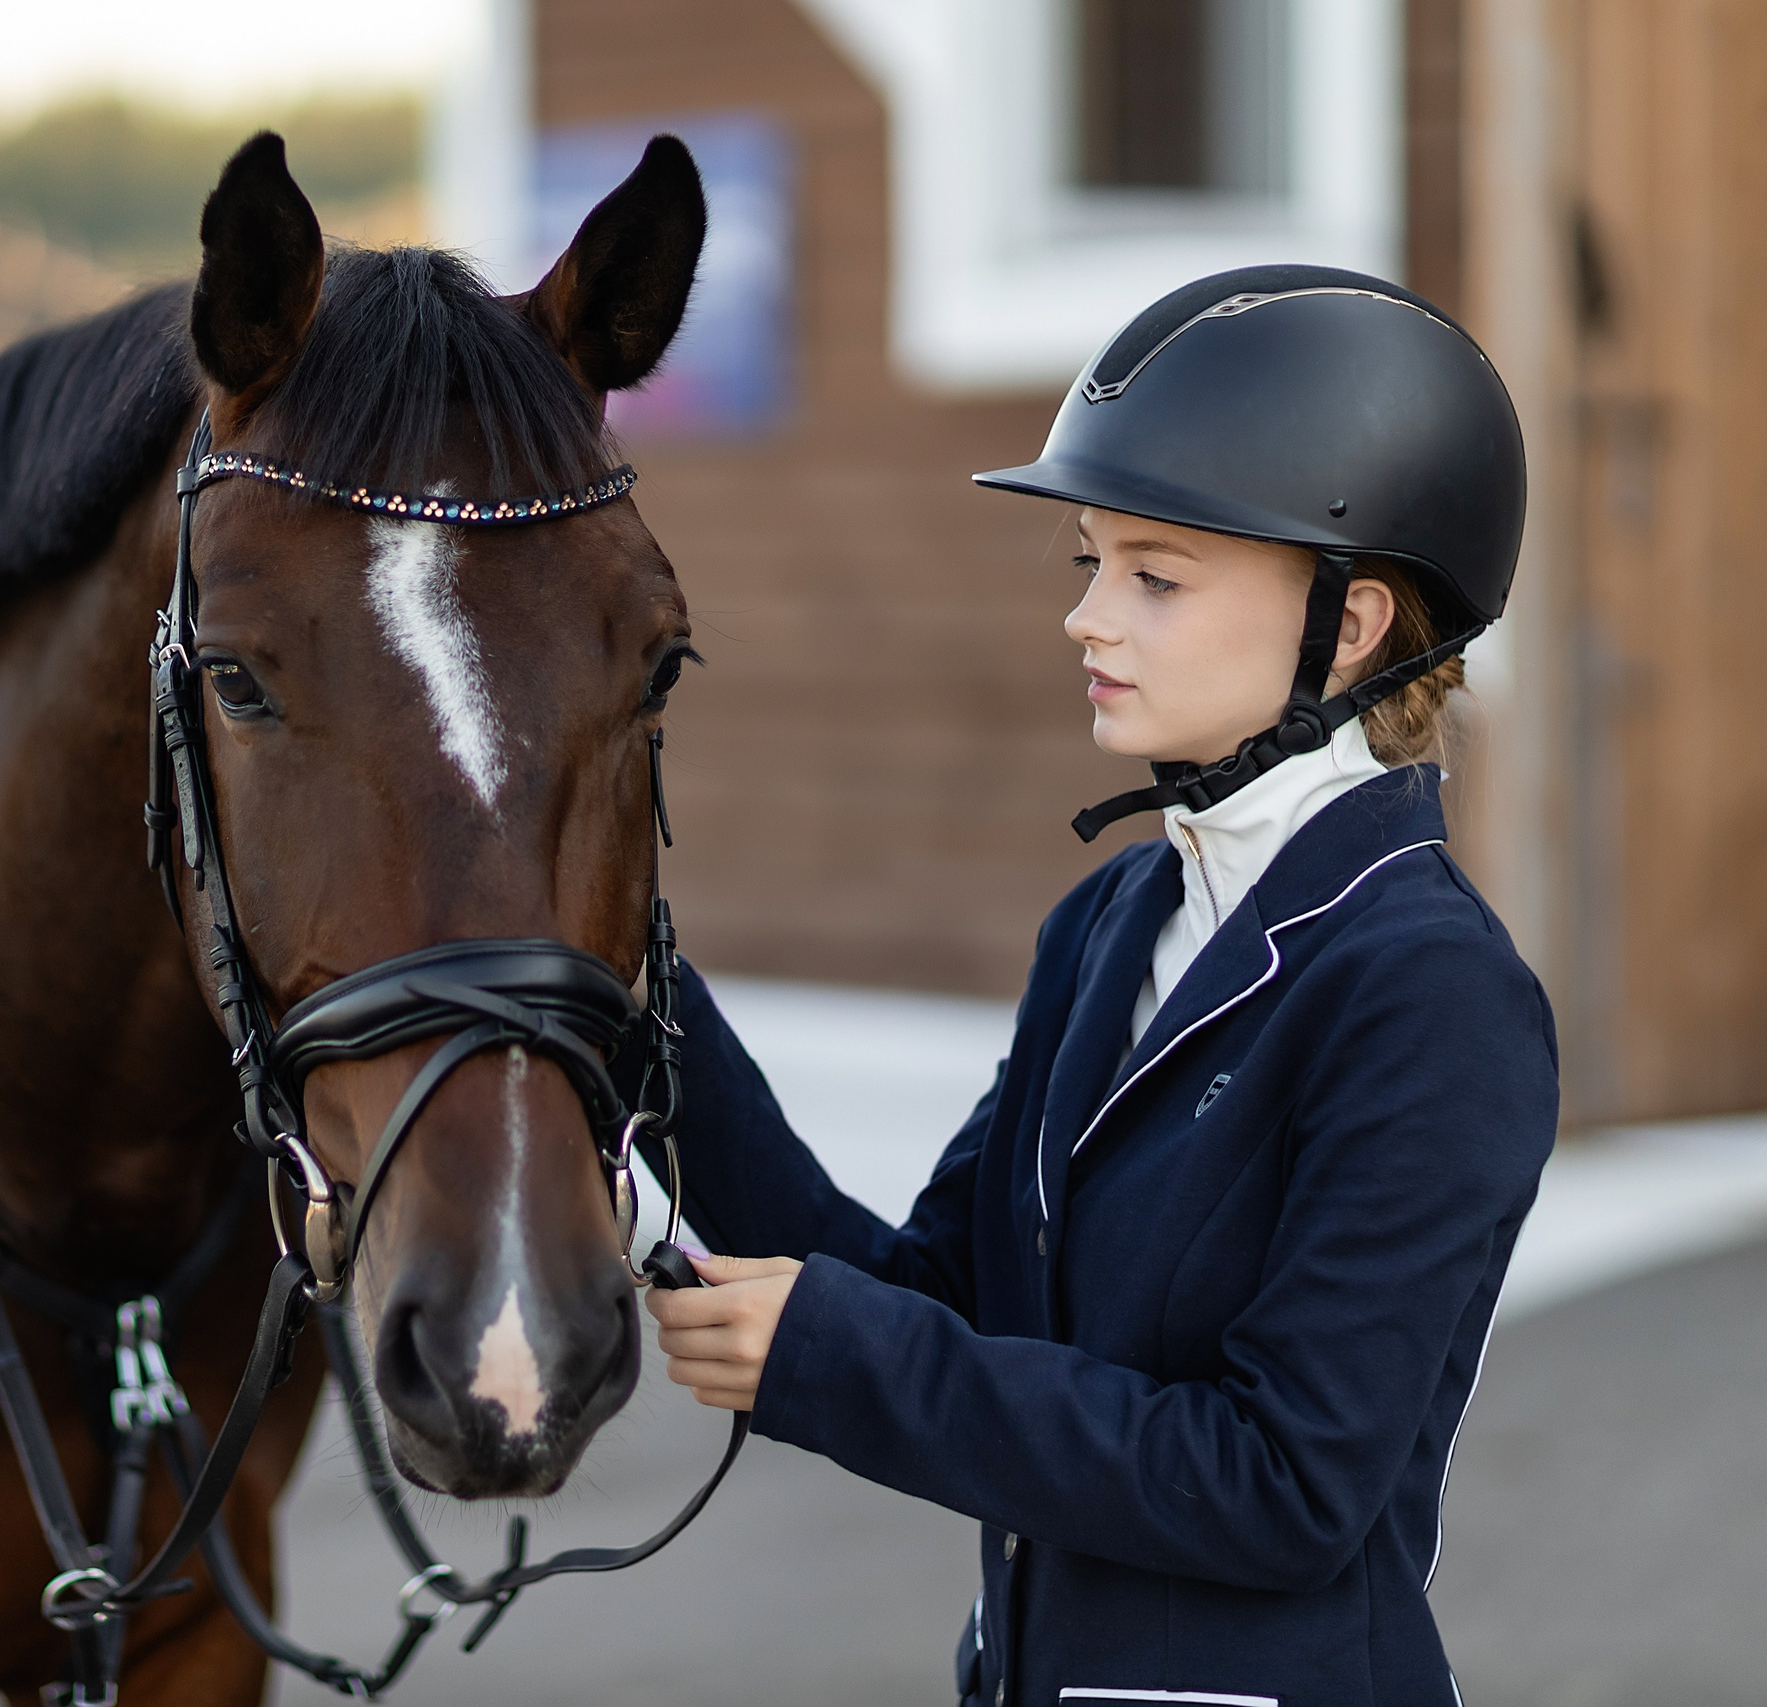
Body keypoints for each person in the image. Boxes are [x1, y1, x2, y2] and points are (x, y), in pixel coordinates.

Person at [635, 266, 1556, 1707]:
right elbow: (937, 1297)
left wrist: (835, 1353)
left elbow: (1283, 1486)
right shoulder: (1114, 923)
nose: (1088, 618)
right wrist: (634, 990)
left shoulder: (1433, 995)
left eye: (1155, 576)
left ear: (1357, 621)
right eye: (1090, 564)